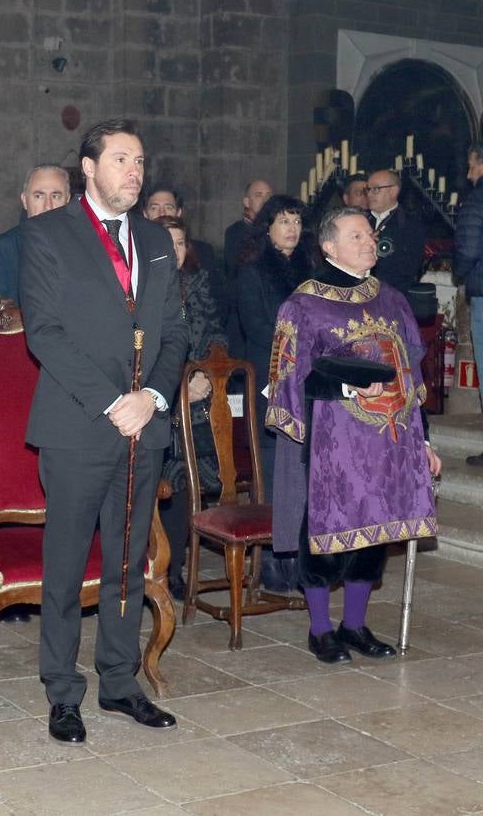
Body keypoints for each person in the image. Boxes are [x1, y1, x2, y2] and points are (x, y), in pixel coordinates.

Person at [20, 118, 189, 743]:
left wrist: (151, 396)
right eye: (121, 159)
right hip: (77, 424)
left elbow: (174, 332)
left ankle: (119, 682)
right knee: (65, 566)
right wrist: (112, 400)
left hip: (144, 424)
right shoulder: (47, 235)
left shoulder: (156, 240)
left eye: (140, 159)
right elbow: (45, 333)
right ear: (87, 169)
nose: (135, 170)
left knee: (127, 561)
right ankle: (62, 691)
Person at [267, 206, 440, 664]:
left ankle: (356, 625)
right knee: (322, 538)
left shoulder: (393, 300)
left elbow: (408, 377)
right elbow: (290, 378)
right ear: (329, 246)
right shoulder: (302, 305)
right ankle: (321, 628)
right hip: (331, 446)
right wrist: (346, 385)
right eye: (358, 235)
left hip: (387, 441)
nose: (370, 242)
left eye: (370, 235)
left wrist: (423, 443)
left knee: (375, 536)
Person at [235, 195, 313, 591]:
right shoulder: (252, 273)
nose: (292, 229)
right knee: (272, 473)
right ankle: (272, 563)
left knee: (301, 473)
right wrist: (293, 357)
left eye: (297, 221)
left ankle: (300, 561)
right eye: (284, 221)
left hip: (306, 383)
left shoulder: (310, 271)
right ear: (267, 228)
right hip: (270, 382)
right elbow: (258, 330)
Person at [156, 215, 226, 600]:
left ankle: (176, 570)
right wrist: (181, 379)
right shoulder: (140, 287)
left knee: (186, 487)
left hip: (197, 404)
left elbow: (217, 334)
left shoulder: (198, 284)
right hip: (156, 405)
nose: (175, 251)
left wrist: (205, 375)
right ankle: (154, 566)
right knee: (161, 484)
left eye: (181, 243)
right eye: (167, 243)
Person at [0, 164, 70, 305]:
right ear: (25, 201)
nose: (48, 206)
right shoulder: (1, 249)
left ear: (67, 200)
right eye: (38, 196)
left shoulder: (85, 246)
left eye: (55, 196)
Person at [142, 184, 227, 322]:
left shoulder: (202, 253)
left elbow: (218, 306)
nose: (162, 213)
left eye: (168, 207)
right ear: (145, 214)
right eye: (154, 207)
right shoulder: (136, 252)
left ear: (179, 212)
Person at [452, 144, 483, 466]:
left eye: (473, 166)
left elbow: (468, 249)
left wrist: (459, 271)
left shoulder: (476, 200)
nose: (469, 173)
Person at [366, 169, 426, 295]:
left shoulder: (410, 225)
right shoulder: (360, 221)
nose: (370, 194)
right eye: (368, 189)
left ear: (393, 191)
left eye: (376, 189)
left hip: (393, 295)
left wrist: (374, 252)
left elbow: (410, 268)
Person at [224, 178, 273, 283]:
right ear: (247, 202)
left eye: (268, 196)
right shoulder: (235, 232)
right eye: (259, 195)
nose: (265, 200)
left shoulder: (277, 229)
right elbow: (236, 272)